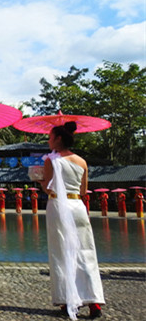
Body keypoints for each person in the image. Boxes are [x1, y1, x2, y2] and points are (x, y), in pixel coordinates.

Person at [40, 122, 104, 319]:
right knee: (85, 251)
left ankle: (67, 298)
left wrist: (39, 180)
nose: (49, 140)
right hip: (77, 206)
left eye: (51, 137)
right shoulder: (82, 162)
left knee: (60, 251)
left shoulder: (52, 160)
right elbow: (84, 191)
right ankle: (93, 301)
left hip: (59, 205)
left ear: (59, 138)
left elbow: (49, 188)